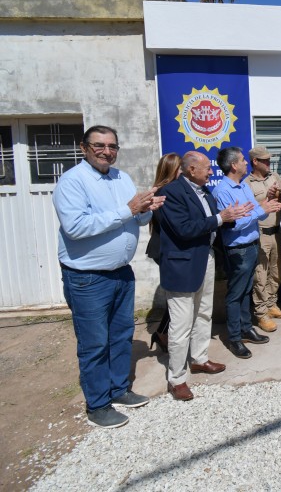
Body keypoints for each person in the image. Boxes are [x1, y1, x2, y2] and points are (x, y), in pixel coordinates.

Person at [53, 125, 164, 429]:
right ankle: (98, 404)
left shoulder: (121, 177)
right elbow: (76, 227)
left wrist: (146, 209)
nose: (106, 151)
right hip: (87, 278)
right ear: (83, 147)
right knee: (94, 343)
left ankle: (118, 390)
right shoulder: (72, 182)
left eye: (112, 146)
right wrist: (129, 209)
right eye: (99, 145)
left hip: (120, 273)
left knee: (120, 336)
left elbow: (136, 218)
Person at [158, 151, 253, 400]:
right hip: (183, 266)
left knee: (203, 314)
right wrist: (221, 217)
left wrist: (233, 216)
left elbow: (215, 222)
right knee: (180, 325)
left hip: (206, 259)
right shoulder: (171, 193)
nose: (211, 172)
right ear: (191, 170)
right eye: (206, 169)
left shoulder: (204, 192)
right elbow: (184, 229)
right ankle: (176, 378)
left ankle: (199, 359)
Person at [213, 146, 281, 359]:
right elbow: (235, 223)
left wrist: (263, 206)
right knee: (235, 294)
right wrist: (262, 209)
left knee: (245, 291)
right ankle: (234, 338)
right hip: (238, 249)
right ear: (234, 165)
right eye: (243, 160)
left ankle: (245, 328)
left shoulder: (242, 187)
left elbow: (253, 212)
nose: (246, 163)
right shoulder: (222, 191)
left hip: (252, 244)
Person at [244, 146, 281, 333]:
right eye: (265, 160)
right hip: (260, 233)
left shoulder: (274, 177)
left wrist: (280, 195)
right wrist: (265, 199)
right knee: (260, 274)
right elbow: (248, 211)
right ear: (255, 162)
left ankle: (271, 302)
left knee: (276, 271)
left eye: (269, 160)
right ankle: (261, 313)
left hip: (277, 231)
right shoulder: (247, 183)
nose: (269, 163)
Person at [146, 152, 182, 353]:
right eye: (181, 168)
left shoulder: (169, 190)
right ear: (173, 170)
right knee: (177, 299)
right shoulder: (163, 193)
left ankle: (163, 332)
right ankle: (163, 334)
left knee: (177, 299)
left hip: (169, 249)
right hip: (165, 250)